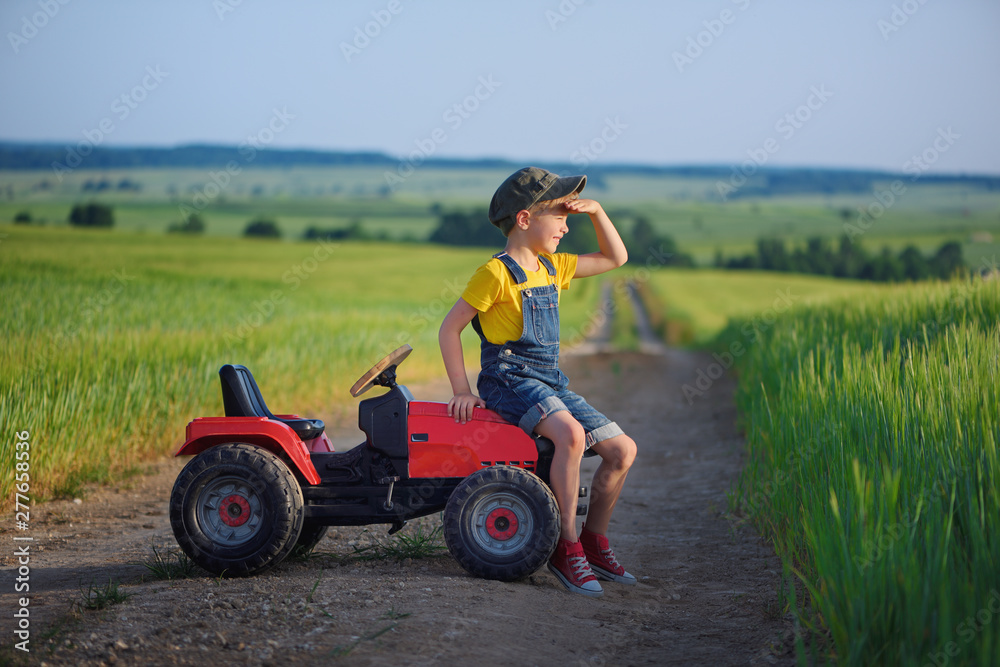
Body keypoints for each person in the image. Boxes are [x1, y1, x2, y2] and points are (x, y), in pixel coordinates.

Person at [439, 166, 637, 597]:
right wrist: (460, 390)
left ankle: (593, 542)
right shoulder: (495, 274)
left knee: (622, 450)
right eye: (560, 216)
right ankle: (565, 548)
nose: (568, 226)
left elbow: (615, 258)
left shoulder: (553, 267)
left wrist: (598, 212)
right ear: (525, 220)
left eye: (571, 217)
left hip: (548, 380)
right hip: (507, 378)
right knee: (569, 434)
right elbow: (449, 328)